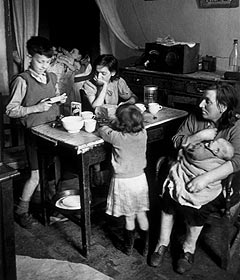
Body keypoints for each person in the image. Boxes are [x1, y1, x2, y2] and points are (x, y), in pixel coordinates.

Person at [149, 83, 240, 274]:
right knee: (169, 193)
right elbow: (176, 140)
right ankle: (162, 243)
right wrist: (197, 136)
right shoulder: (195, 118)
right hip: (185, 168)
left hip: (217, 180)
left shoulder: (236, 126)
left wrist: (206, 178)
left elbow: (237, 161)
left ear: (222, 106)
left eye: (208, 101)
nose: (200, 104)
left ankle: (188, 249)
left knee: (200, 205)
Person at [6, 36, 67, 229]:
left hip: (53, 131)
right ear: (29, 57)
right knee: (35, 175)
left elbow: (51, 96)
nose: (44, 65)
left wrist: (59, 99)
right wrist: (35, 108)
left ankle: (51, 205)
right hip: (35, 134)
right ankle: (21, 210)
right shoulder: (22, 81)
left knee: (54, 170)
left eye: (48, 62)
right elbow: (10, 110)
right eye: (40, 61)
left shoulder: (52, 77)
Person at [98, 104, 149, 256]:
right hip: (140, 179)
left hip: (124, 182)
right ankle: (145, 248)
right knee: (141, 213)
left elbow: (102, 131)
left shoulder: (117, 137)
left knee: (129, 217)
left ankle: (128, 247)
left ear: (120, 124)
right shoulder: (144, 133)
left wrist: (110, 124)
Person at [83, 54, 138, 186]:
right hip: (95, 127)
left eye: (103, 73)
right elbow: (96, 107)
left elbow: (133, 97)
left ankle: (117, 178)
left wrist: (125, 104)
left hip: (114, 124)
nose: (98, 76)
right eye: (97, 72)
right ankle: (97, 174)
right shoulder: (89, 84)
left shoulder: (118, 81)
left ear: (112, 73)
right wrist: (104, 86)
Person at [164, 137, 234, 209]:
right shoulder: (220, 161)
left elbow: (191, 150)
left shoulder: (206, 153)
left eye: (214, 141)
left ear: (216, 151)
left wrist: (197, 141)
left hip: (195, 183)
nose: (211, 140)